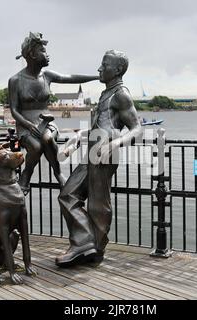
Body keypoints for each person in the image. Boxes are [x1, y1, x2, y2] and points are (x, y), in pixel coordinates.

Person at [55, 50, 142, 267]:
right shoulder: (105, 94)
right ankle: (85, 243)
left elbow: (137, 129)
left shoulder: (121, 94)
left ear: (118, 70)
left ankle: (93, 247)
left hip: (105, 151)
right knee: (68, 195)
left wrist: (114, 143)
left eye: (105, 65)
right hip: (93, 148)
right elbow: (99, 127)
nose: (99, 69)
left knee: (97, 203)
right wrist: (77, 137)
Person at [8, 32, 98, 194]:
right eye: (43, 51)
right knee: (35, 147)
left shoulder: (47, 76)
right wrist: (28, 125)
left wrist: (97, 77)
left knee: (47, 139)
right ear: (31, 55)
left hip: (47, 121)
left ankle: (58, 173)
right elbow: (14, 110)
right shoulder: (15, 80)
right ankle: (27, 175)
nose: (47, 55)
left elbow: (71, 78)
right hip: (26, 124)